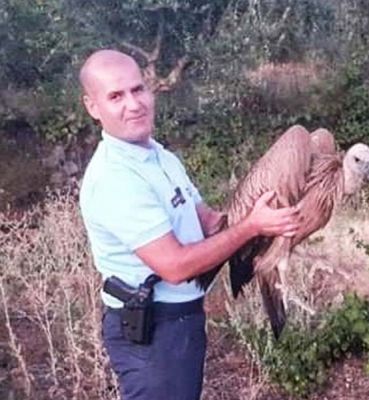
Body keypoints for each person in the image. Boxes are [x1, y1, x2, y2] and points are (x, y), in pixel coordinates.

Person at [79, 49, 300, 400]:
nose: (134, 104)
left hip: (181, 322)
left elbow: (209, 222)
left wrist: (271, 220)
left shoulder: (160, 157)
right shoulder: (115, 178)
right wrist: (251, 227)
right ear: (92, 106)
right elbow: (175, 266)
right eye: (116, 96)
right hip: (152, 332)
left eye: (138, 89)